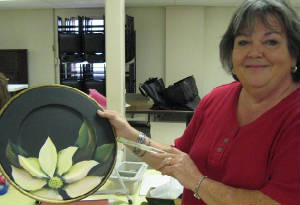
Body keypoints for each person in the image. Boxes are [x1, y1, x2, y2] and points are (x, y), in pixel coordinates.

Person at [97, 0, 300, 204]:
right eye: (243, 42)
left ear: (294, 55)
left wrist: (197, 182)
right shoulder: (216, 99)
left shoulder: (294, 116)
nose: (255, 52)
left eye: (271, 41)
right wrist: (126, 132)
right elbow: (175, 160)